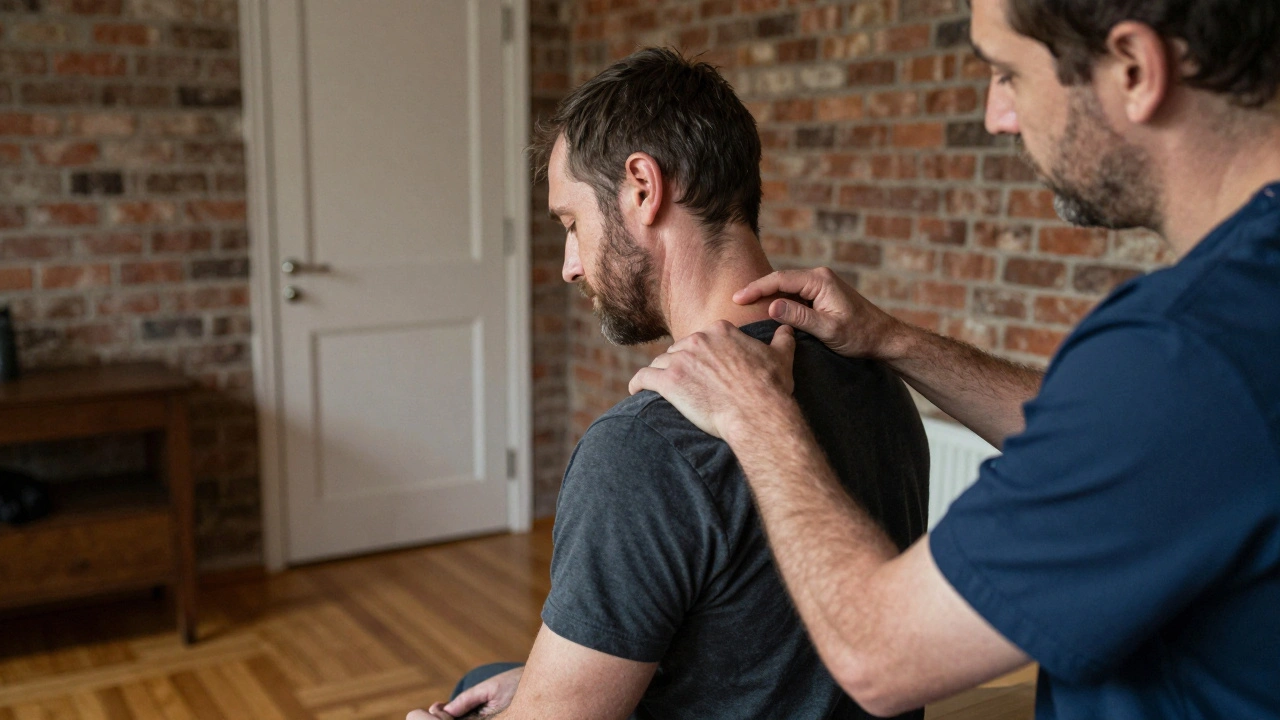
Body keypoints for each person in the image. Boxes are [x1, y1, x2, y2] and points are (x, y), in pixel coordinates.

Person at [630, 0, 1280, 718]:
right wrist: (893, 340)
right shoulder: (1228, 338)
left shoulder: (1184, 352)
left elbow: (879, 656)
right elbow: (1142, 450)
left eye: (1007, 74)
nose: (998, 115)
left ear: (1134, 68)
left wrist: (756, 414)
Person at [407, 48, 931, 720]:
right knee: (495, 675)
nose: (570, 265)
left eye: (572, 224)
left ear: (642, 189)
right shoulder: (871, 366)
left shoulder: (643, 447)